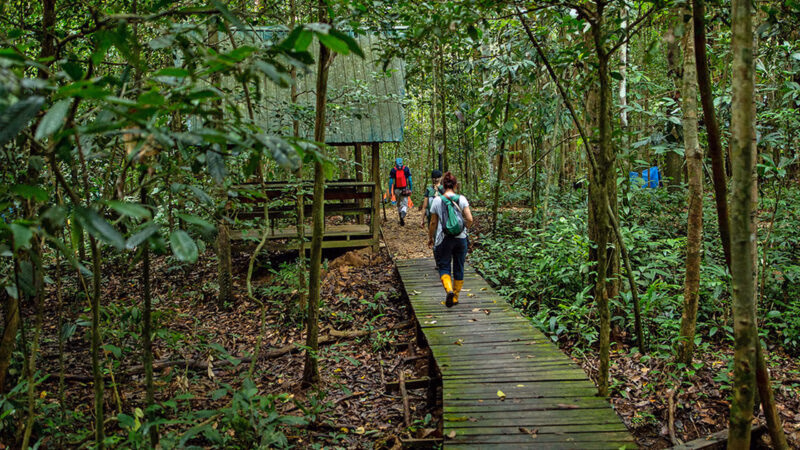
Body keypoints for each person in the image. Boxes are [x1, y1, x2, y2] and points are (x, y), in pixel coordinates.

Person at [427, 172, 473, 307]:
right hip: (461, 239)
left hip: (444, 239)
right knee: (459, 266)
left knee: (444, 266)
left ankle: (449, 290)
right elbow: (470, 219)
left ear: (443, 185)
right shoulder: (462, 199)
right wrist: (465, 229)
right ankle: (455, 297)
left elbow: (433, 223)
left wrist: (430, 237)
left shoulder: (437, 200)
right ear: (455, 185)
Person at [388, 157, 412, 226]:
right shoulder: (406, 169)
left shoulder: (393, 170)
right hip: (404, 189)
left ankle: (400, 218)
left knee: (398, 204)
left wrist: (390, 191)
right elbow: (410, 180)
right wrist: (411, 189)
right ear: (402, 162)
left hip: (396, 190)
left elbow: (391, 182)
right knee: (404, 204)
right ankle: (403, 211)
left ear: (396, 162)